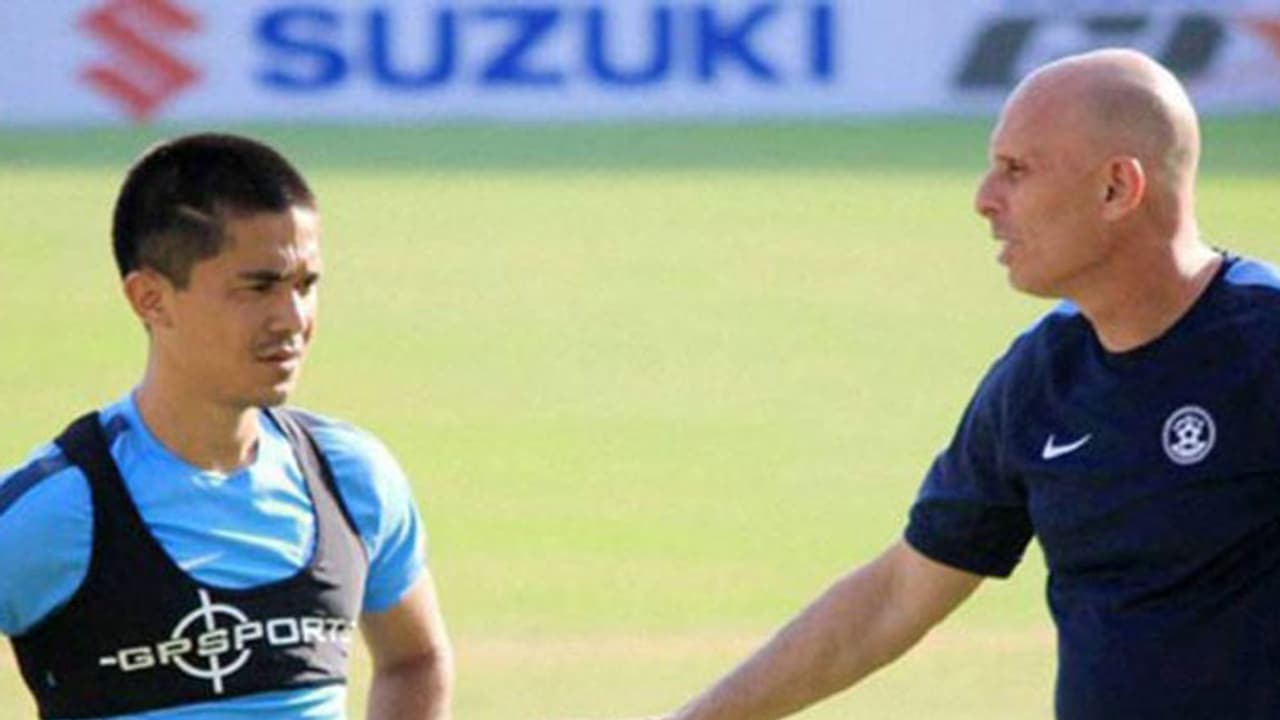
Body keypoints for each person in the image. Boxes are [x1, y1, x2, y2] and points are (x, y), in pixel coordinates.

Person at [654, 48, 1280, 720]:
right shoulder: (1042, 377)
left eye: (1016, 171)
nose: (984, 199)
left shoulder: (1265, 345)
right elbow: (897, 596)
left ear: (1116, 188)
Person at [0, 133, 453, 719]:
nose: (292, 319)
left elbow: (415, 659)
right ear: (151, 299)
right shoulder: (56, 508)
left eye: (306, 285)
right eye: (258, 287)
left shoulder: (350, 479)